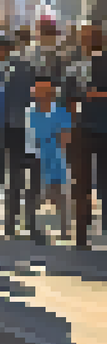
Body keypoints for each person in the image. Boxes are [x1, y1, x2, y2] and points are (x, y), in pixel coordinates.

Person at [0, 35, 33, 239]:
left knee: (15, 179)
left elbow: (28, 98)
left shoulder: (22, 69)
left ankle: (10, 225)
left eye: (2, 48)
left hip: (17, 129)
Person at [70, 25, 107, 248]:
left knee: (95, 184)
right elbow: (68, 98)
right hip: (82, 131)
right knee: (82, 185)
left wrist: (97, 95)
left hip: (98, 129)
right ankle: (81, 236)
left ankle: (84, 236)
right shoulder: (77, 66)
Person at [25, 77, 70, 243]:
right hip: (36, 159)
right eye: (38, 92)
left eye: (45, 91)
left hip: (56, 159)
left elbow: (65, 138)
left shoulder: (61, 112)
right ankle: (34, 229)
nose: (41, 95)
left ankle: (65, 229)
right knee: (35, 195)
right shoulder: (29, 113)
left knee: (58, 195)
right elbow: (29, 140)